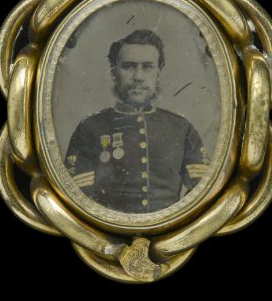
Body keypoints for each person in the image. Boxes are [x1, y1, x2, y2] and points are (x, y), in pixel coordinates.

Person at [64, 29, 210, 213]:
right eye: (129, 66)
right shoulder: (90, 129)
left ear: (159, 70)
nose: (138, 77)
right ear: (114, 71)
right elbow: (78, 197)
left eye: (147, 66)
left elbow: (204, 189)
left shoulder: (181, 128)